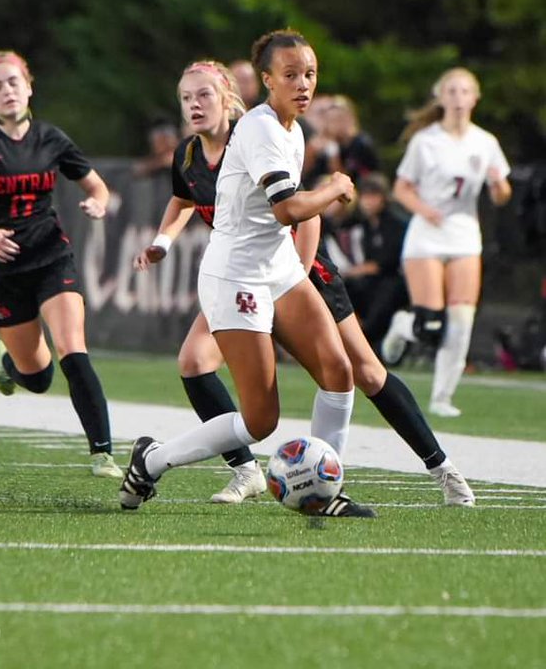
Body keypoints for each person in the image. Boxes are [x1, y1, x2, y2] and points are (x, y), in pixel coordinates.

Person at [134, 60, 474, 508]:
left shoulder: (259, 133)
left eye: (205, 95)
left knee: (364, 372)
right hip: (244, 274)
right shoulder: (190, 154)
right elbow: (182, 198)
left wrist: (294, 278)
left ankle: (442, 469)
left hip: (296, 267)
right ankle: (245, 471)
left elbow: (302, 210)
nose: (195, 105)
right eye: (187, 98)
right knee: (194, 363)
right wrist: (162, 241)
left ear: (230, 96)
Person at [121, 29, 377, 518]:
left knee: (339, 372)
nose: (303, 84)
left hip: (277, 267)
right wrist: (336, 186)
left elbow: (289, 218)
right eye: (291, 75)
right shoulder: (258, 129)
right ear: (266, 81)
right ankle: (153, 460)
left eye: (310, 74)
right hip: (236, 276)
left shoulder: (293, 128)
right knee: (261, 421)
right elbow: (287, 209)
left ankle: (324, 491)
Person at [0, 50, 122, 479]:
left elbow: (97, 186)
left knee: (72, 348)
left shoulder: (51, 138)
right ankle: (9, 363)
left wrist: (98, 202)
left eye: (14, 82)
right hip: (0, 266)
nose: (7, 91)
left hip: (49, 253)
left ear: (29, 86)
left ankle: (103, 453)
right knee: (37, 378)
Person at [381, 67, 512, 417]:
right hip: (427, 234)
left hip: (465, 235)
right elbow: (401, 188)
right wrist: (424, 209)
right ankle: (402, 326)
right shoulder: (426, 141)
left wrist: (499, 186)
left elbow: (502, 194)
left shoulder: (485, 143)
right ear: (441, 98)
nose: (457, 98)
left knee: (462, 319)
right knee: (431, 325)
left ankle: (442, 396)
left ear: (474, 97)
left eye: (464, 91)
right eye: (451, 92)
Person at [322, 173, 409, 350]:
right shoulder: (363, 224)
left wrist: (358, 270)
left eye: (373, 196)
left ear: (384, 198)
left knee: (385, 293)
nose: (368, 202)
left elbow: (386, 262)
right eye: (365, 196)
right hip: (368, 279)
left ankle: (366, 339)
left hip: (394, 279)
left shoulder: (395, 224)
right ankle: (350, 333)